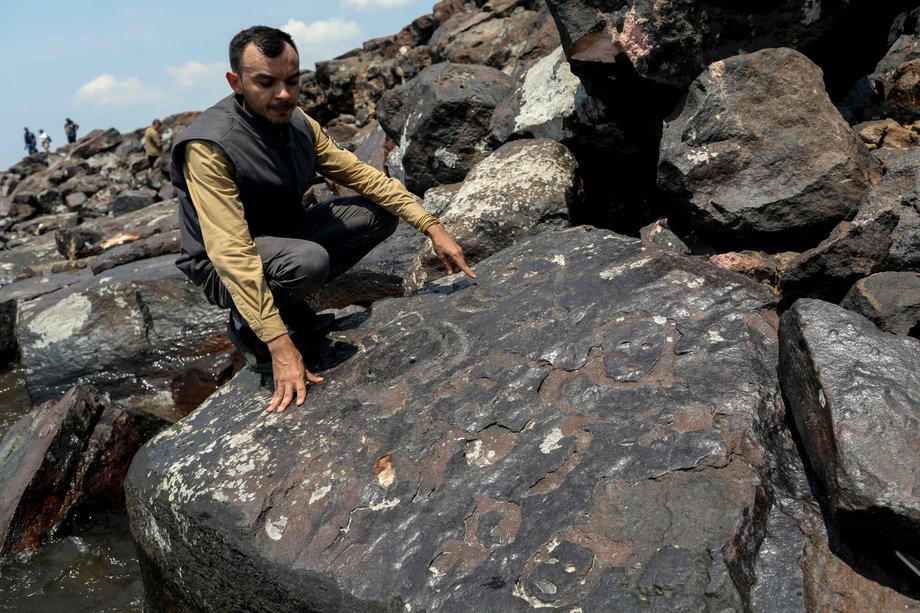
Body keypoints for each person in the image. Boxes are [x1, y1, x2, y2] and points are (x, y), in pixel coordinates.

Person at [171, 26, 475, 415]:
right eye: (266, 82)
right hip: (223, 266)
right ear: (236, 82)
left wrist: (432, 226)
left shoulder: (297, 122)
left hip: (284, 238)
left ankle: (287, 306)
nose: (283, 94)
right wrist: (280, 345)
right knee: (307, 262)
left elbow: (362, 176)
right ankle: (247, 326)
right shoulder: (209, 147)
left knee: (377, 215)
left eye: (292, 81)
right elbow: (229, 250)